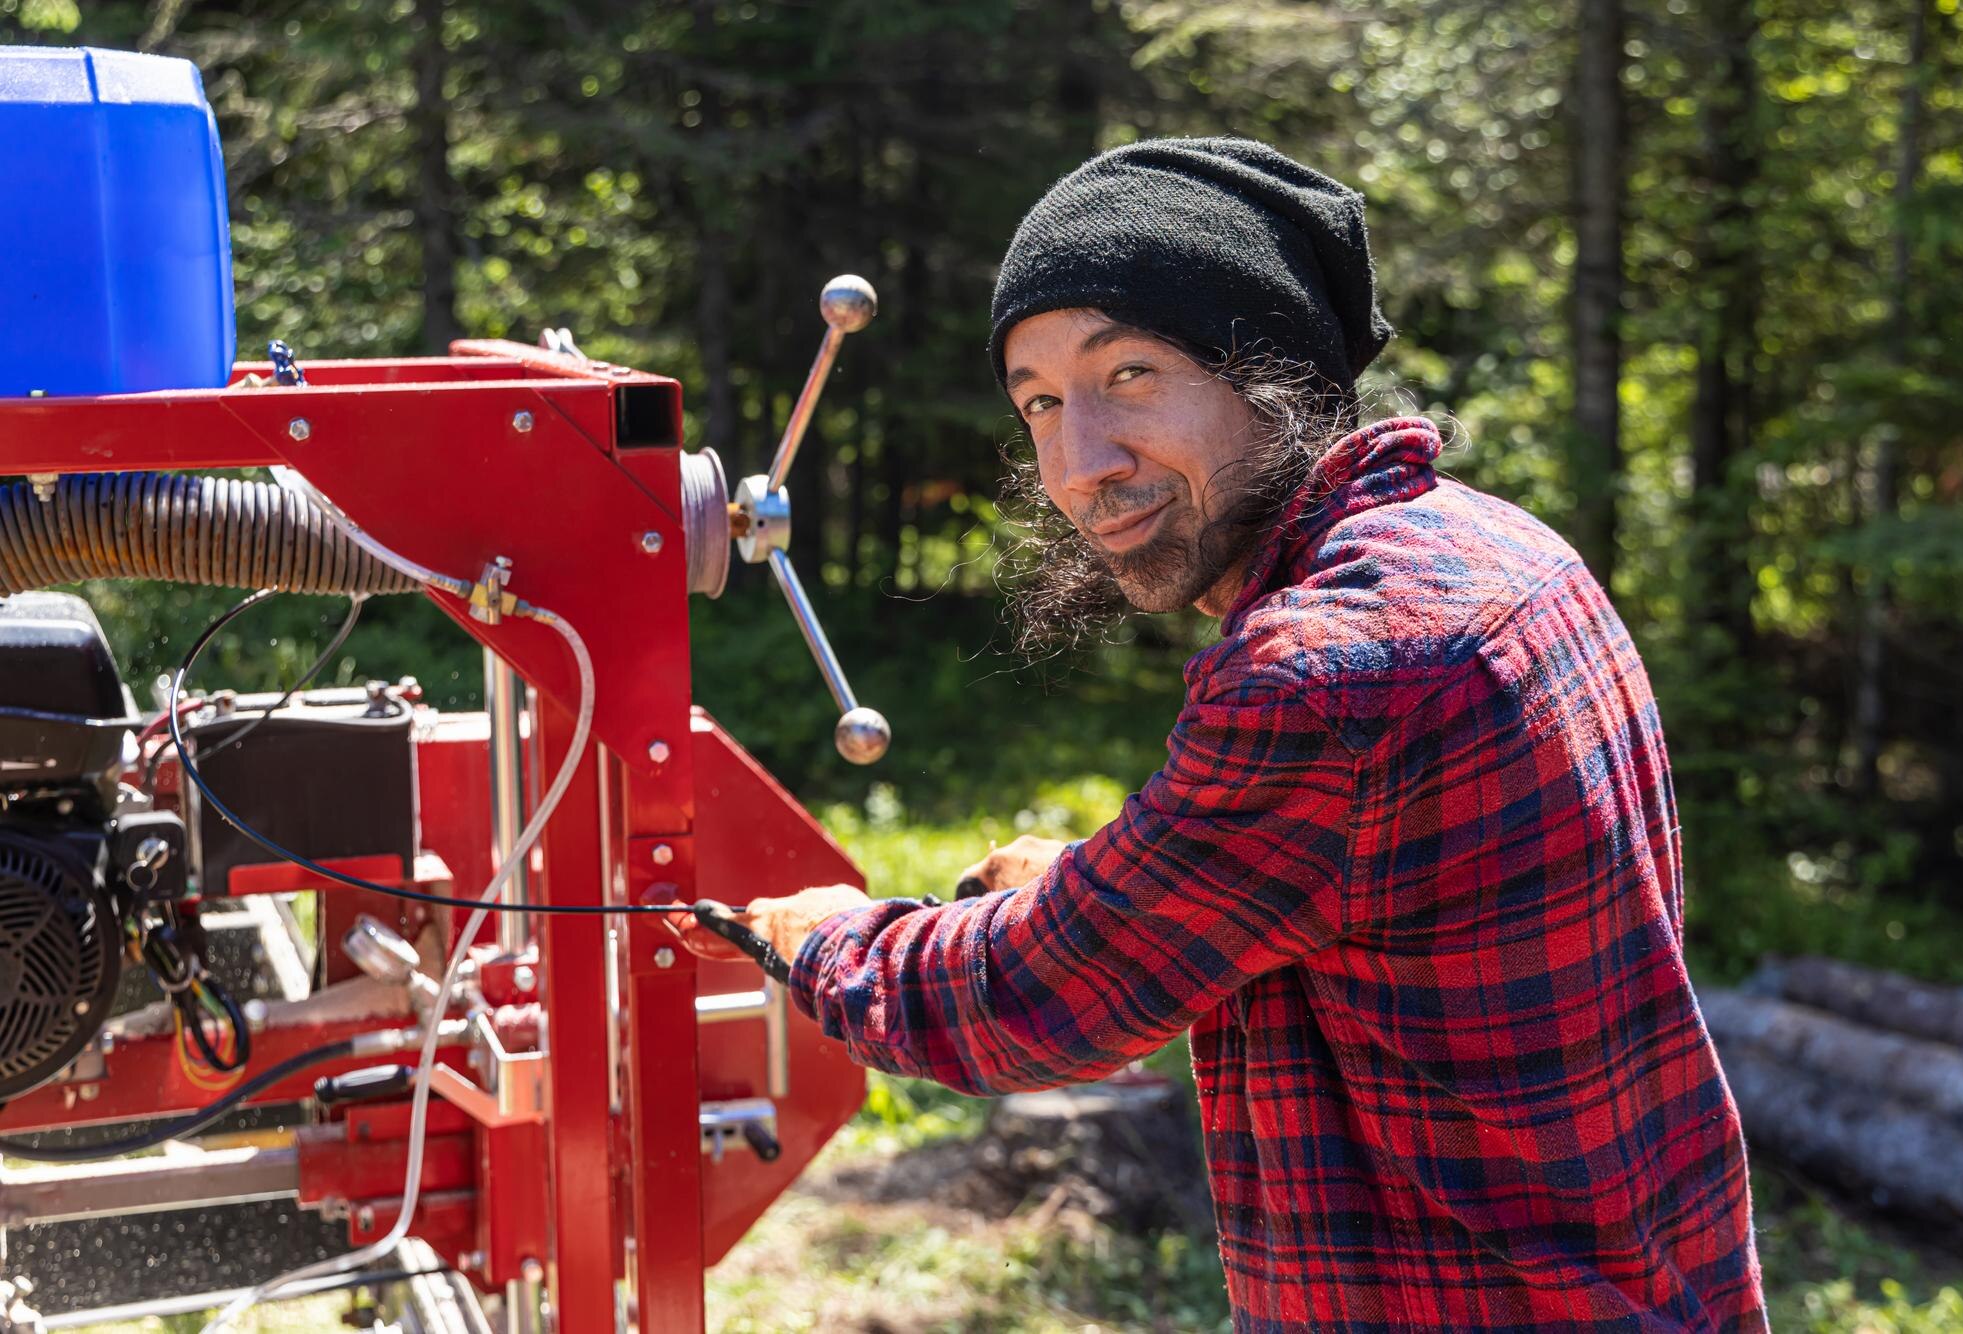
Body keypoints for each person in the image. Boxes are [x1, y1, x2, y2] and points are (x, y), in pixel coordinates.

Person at [688, 137, 1768, 1331]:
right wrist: (1101, 884)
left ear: (1273, 372)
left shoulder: (1326, 672)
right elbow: (1359, 899)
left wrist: (825, 935)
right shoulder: (1494, 550)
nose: (1078, 463)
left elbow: (1027, 999)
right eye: (1039, 401)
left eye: (1131, 373)